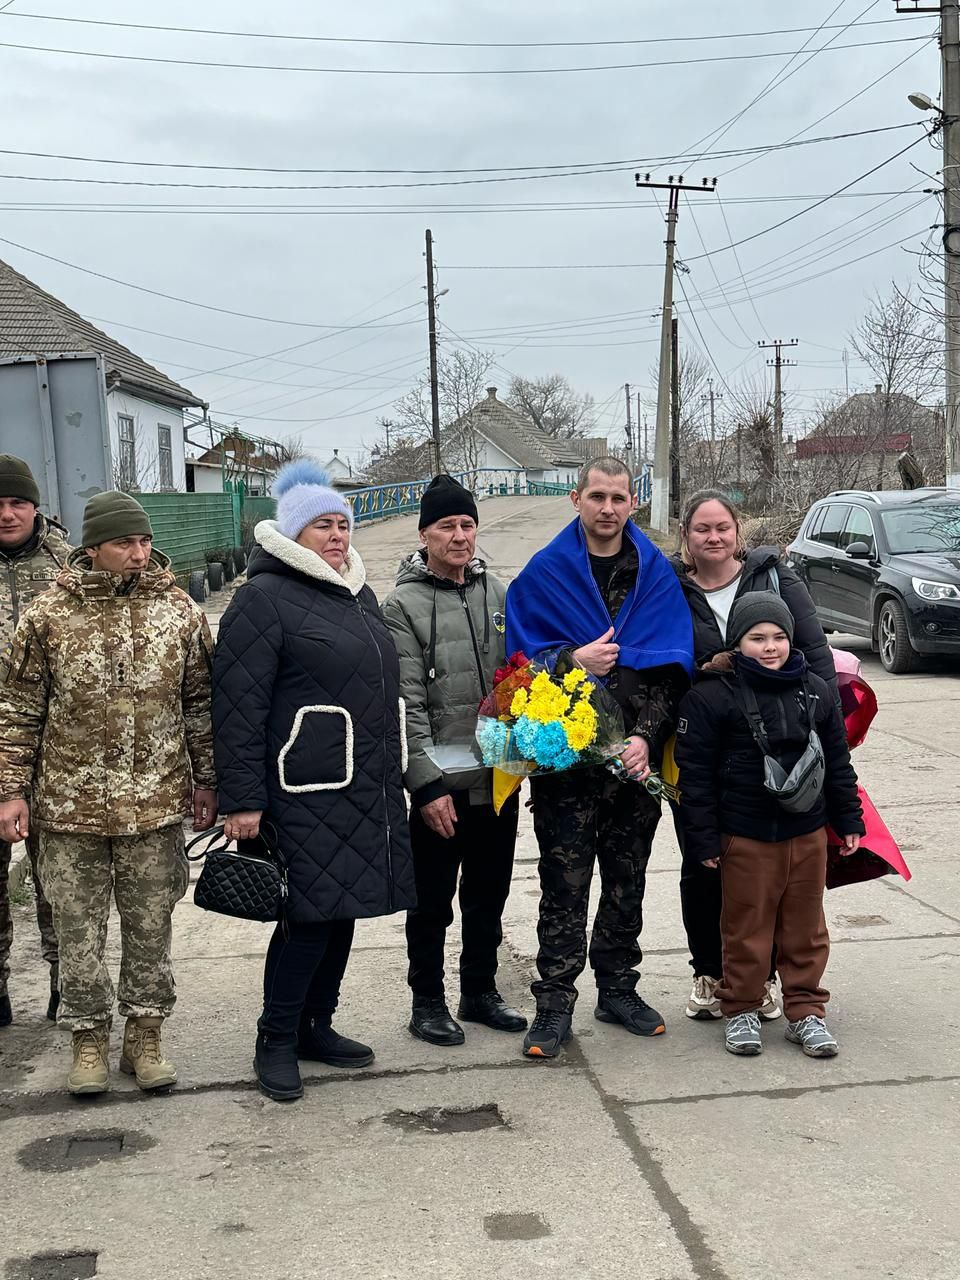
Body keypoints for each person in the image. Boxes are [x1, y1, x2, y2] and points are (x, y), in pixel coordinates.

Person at [0, 490, 217, 1094]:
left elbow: (199, 706)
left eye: (144, 541)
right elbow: (19, 710)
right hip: (69, 806)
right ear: (93, 547)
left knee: (151, 924)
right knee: (77, 928)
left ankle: (144, 1037)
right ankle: (87, 1040)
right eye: (125, 542)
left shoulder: (179, 612)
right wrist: (10, 792)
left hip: (154, 803)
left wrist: (208, 782)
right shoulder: (48, 614)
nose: (138, 553)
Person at [212, 462, 415, 1103]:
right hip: (300, 787)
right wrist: (241, 799)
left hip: (363, 784)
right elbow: (237, 704)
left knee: (344, 909)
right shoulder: (261, 598)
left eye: (343, 525)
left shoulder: (354, 594)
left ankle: (314, 1026)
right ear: (292, 532)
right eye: (322, 525)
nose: (336, 536)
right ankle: (275, 1036)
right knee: (308, 917)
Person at [506, 457, 693, 1058]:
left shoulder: (655, 575)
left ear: (632, 503)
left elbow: (670, 669)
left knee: (627, 880)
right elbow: (515, 674)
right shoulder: (544, 574)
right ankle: (554, 1006)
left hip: (635, 769)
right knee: (563, 885)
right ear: (575, 499)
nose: (607, 508)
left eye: (618, 497)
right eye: (596, 497)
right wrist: (571, 661)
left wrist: (644, 738)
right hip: (566, 768)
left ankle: (617, 989)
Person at [671, 489, 839, 1022]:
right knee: (706, 862)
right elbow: (662, 662)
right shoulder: (672, 588)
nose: (714, 537)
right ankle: (711, 971)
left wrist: (822, 721)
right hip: (699, 741)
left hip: (779, 746)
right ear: (686, 537)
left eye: (723, 527)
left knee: (778, 869)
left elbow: (814, 654)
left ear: (738, 532)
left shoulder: (774, 578)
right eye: (703, 529)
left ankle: (763, 979)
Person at [674, 592, 864, 1059]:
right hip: (745, 833)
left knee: (806, 927)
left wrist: (848, 817)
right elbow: (693, 776)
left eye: (779, 636)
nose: (770, 646)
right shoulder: (709, 697)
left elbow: (838, 761)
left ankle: (805, 1011)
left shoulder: (817, 690)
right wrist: (702, 838)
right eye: (757, 638)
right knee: (745, 926)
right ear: (737, 642)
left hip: (808, 832)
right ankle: (740, 1006)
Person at [383, 474, 525, 1047]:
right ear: (424, 534)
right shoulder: (402, 606)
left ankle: (480, 990)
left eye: (467, 525)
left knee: (488, 895)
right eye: (447, 526)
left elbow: (520, 678)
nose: (460, 536)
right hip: (440, 788)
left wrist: (524, 758)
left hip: (498, 779)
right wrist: (425, 786)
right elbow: (405, 704)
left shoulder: (499, 594)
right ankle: (427, 999)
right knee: (432, 902)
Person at [0, 455, 67, 1027]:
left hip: (52, 749)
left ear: (36, 505)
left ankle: (63, 984)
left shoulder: (67, 563)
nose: (6, 514)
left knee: (57, 877)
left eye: (17, 502)